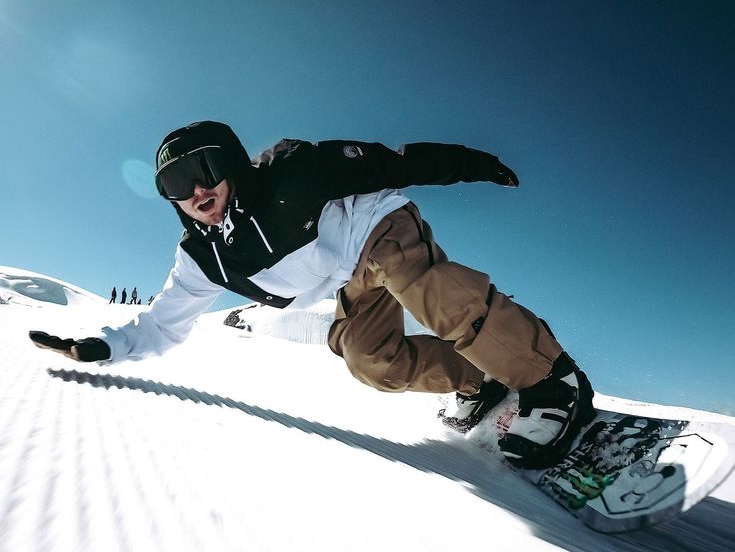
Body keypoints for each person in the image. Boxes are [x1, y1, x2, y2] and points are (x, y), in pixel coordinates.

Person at [29, 121, 594, 469]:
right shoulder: (203, 258)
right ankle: (480, 377)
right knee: (372, 361)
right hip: (350, 280)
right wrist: (101, 348)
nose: (197, 192)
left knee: (417, 281)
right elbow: (160, 325)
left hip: (373, 228)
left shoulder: (294, 172)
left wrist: (475, 164)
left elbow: (397, 161)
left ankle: (549, 378)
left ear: (227, 163)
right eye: (177, 186)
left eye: (203, 171)